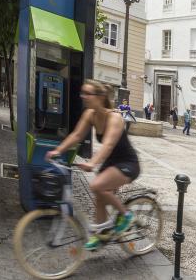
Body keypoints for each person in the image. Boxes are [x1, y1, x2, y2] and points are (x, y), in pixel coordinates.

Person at [45, 80, 140, 251]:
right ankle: (101, 234)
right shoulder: (90, 114)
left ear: (100, 97)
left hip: (127, 163)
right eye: (83, 93)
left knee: (96, 185)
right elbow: (76, 136)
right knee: (100, 196)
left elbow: (108, 145)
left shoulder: (115, 117)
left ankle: (127, 215)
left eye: (88, 93)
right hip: (111, 163)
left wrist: (92, 163)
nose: (83, 96)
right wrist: (57, 151)